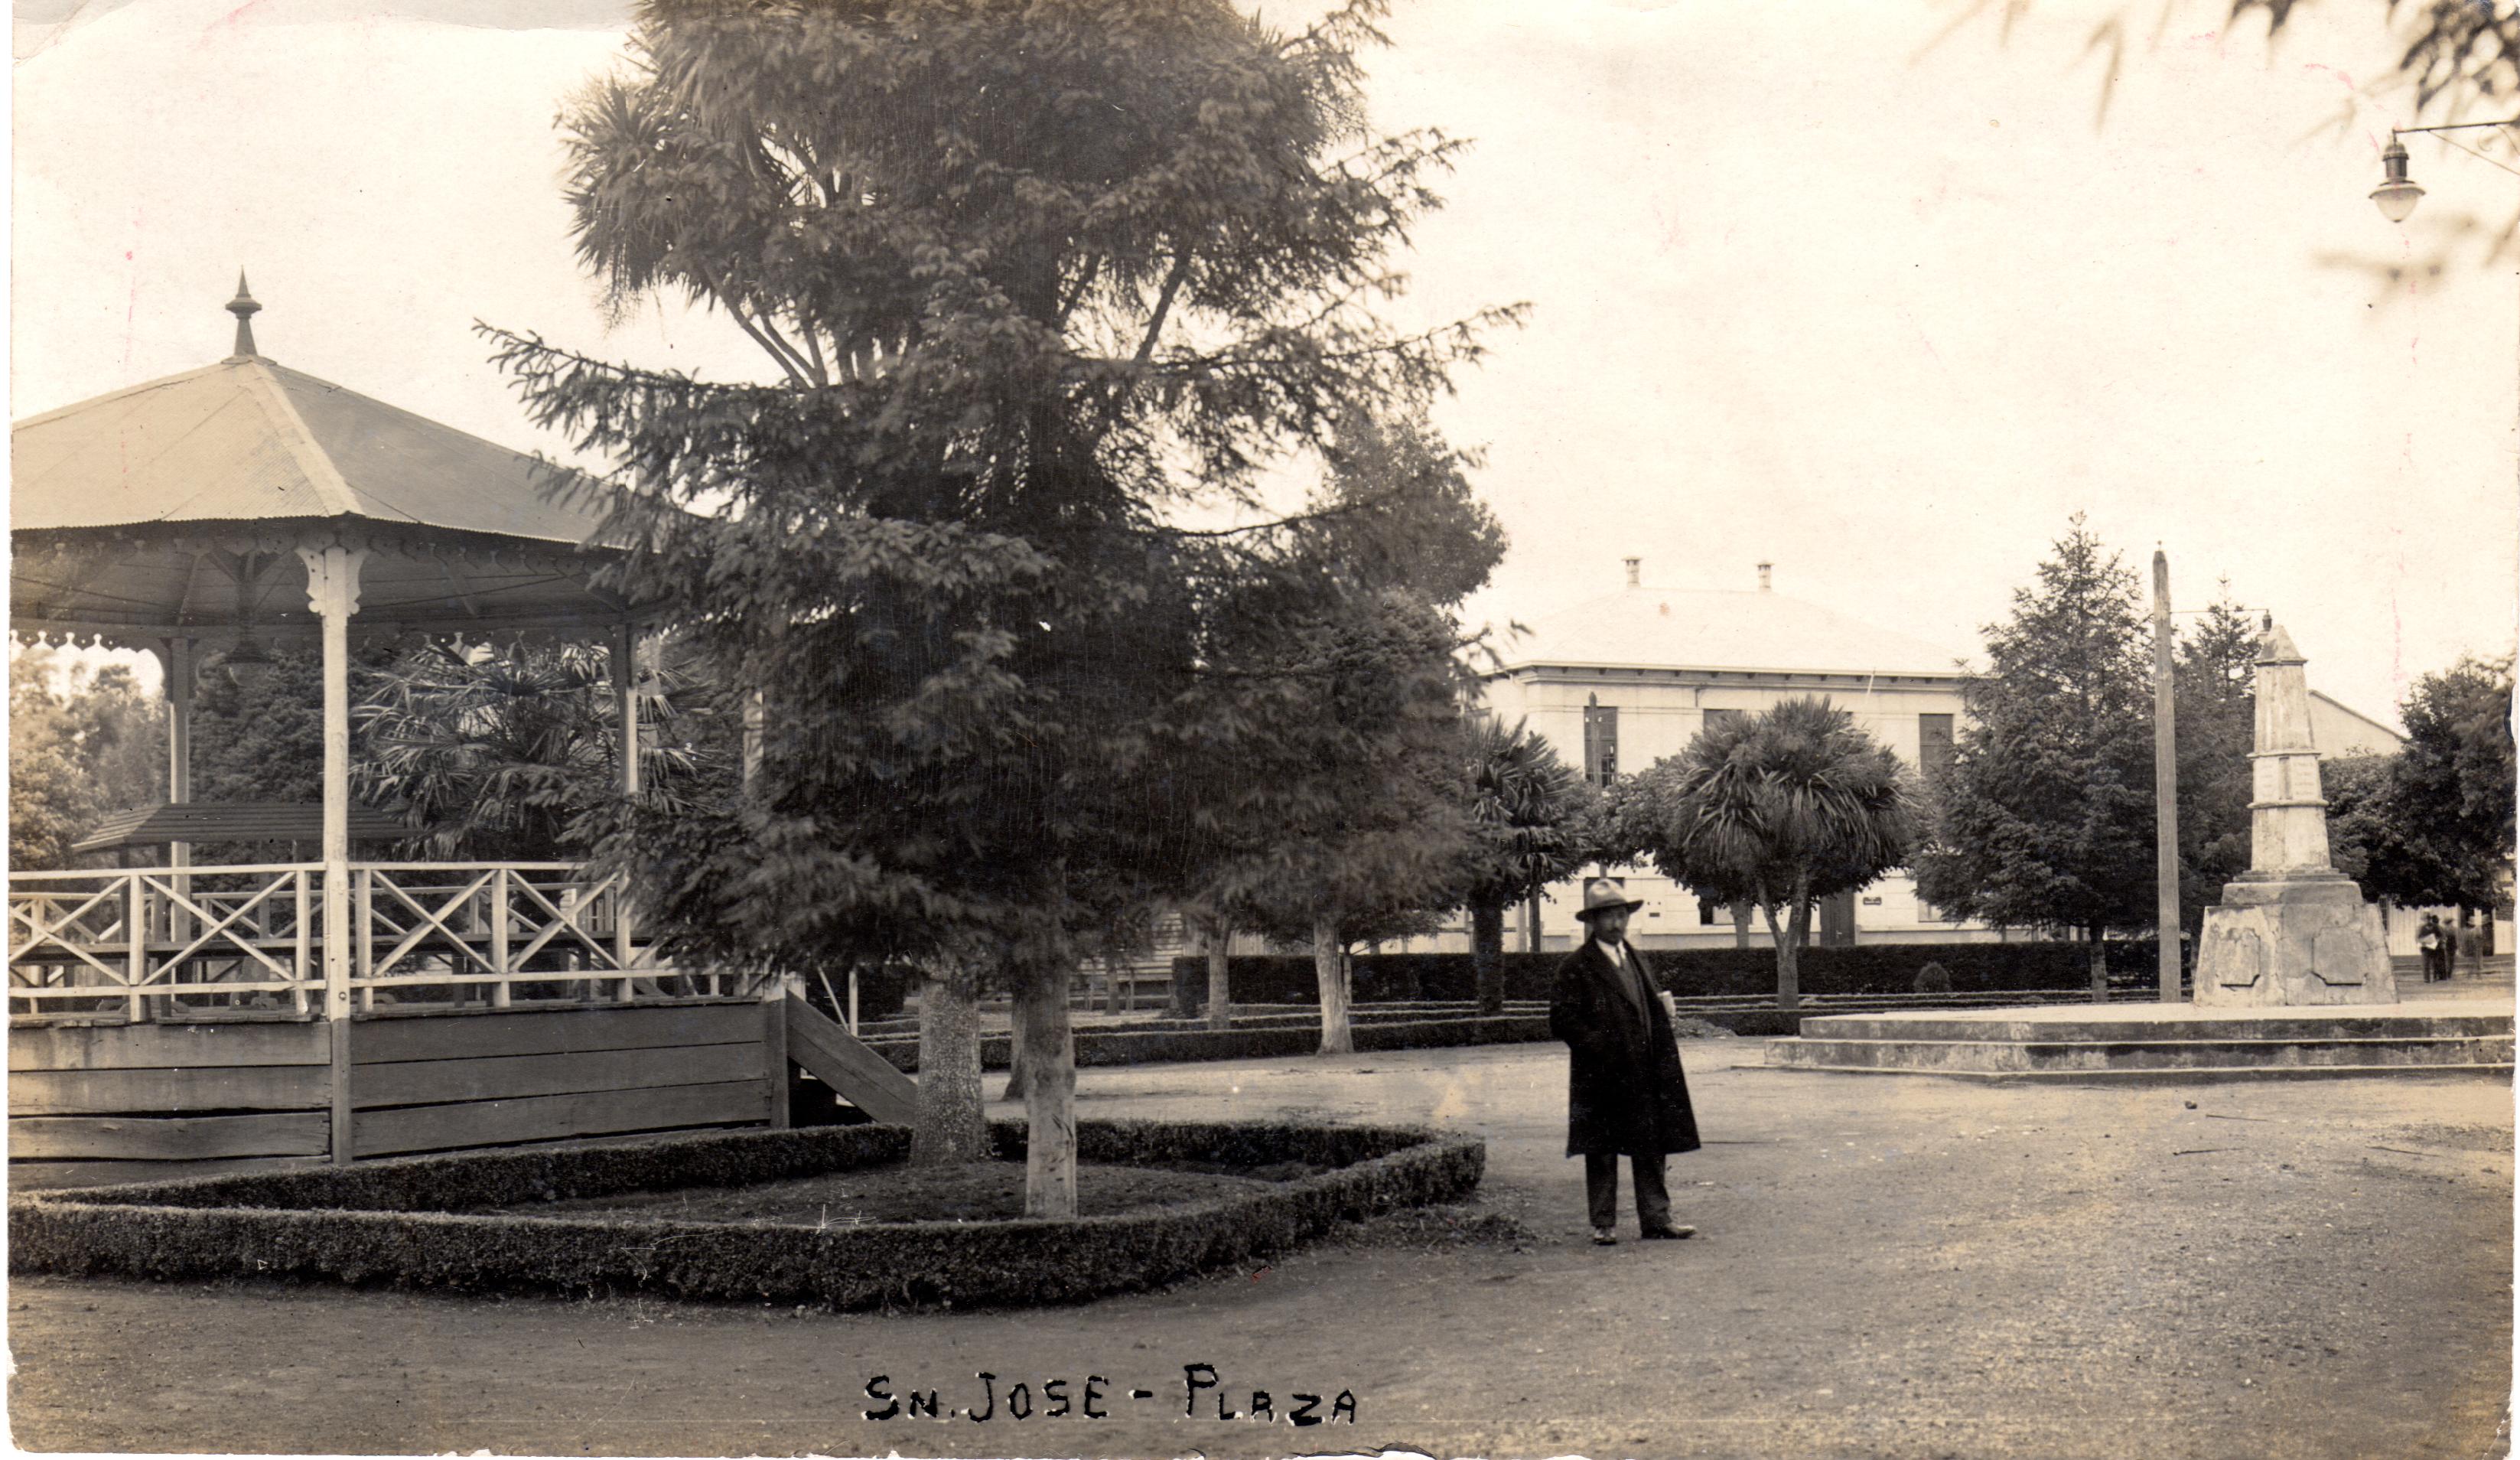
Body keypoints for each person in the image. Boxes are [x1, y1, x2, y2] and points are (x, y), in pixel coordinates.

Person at [1548, 876, 1701, 1246]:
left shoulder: (1636, 958)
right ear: (1592, 922)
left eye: (1621, 915)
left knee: (1650, 1144)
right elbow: (1563, 1019)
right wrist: (1600, 1049)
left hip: (1645, 1069)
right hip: (1601, 1074)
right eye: (1608, 917)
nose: (1617, 924)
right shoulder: (1576, 966)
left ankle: (1657, 1219)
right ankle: (1603, 1223)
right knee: (1601, 1148)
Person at [2418, 915, 2444, 983]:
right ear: (2423, 920)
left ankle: (2434, 977)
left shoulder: (2435, 927)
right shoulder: (2421, 928)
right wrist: (2422, 941)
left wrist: (2437, 940)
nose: (2427, 921)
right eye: (2426, 920)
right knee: (2425, 963)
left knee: (2435, 963)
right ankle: (2426, 979)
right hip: (2425, 948)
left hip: (2434, 947)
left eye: (2429, 919)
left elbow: (2441, 936)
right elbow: (2418, 937)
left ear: (2430, 920)